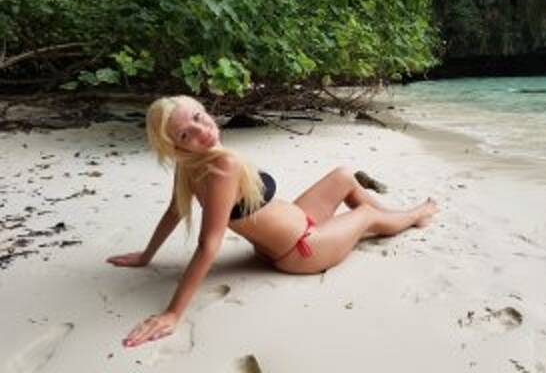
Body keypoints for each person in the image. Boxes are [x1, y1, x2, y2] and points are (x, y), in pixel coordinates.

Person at [107, 95, 439, 348]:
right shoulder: (222, 167)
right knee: (365, 215)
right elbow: (208, 243)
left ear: (204, 109)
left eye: (198, 117)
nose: (201, 130)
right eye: (185, 134)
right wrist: (173, 313)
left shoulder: (192, 164)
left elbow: (174, 211)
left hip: (297, 224)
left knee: (343, 176)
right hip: (303, 249)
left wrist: (146, 256)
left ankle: (391, 218)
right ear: (176, 146)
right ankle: (415, 215)